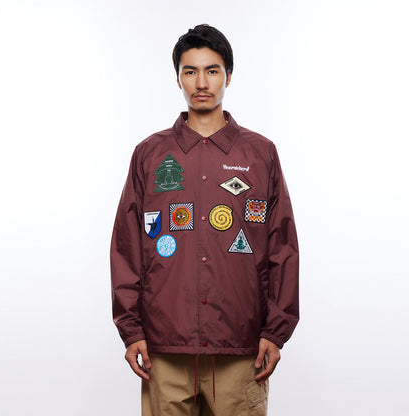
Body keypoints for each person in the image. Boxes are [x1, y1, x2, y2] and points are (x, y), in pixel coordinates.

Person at [110, 24, 299, 415]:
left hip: (241, 347)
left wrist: (276, 331)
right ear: (178, 77)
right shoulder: (149, 154)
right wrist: (130, 330)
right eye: (190, 71)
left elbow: (282, 246)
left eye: (212, 70)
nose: (201, 82)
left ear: (228, 76)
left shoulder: (261, 153)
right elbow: (127, 247)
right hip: (164, 349)